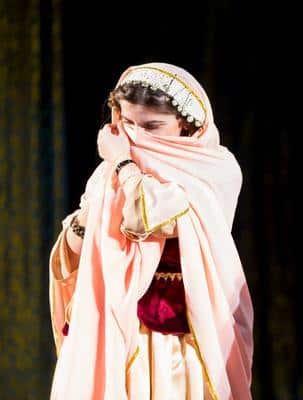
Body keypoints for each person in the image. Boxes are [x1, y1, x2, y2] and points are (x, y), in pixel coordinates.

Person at [48, 62, 253, 399]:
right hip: (114, 329)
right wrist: (87, 217)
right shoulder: (109, 173)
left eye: (152, 126)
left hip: (177, 342)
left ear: (185, 123)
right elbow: (76, 250)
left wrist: (122, 165)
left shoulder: (214, 168)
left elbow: (149, 220)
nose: (136, 135)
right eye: (128, 122)